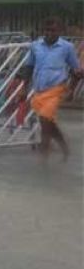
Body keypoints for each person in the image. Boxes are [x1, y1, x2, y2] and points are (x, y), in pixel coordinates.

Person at [18, 17, 83, 161]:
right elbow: (28, 67)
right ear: (43, 31)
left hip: (56, 89)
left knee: (45, 119)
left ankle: (44, 153)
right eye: (47, 30)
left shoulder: (67, 47)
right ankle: (64, 146)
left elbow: (76, 70)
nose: (49, 33)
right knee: (46, 121)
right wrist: (24, 88)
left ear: (60, 31)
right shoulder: (35, 46)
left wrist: (71, 90)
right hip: (39, 90)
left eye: (53, 30)